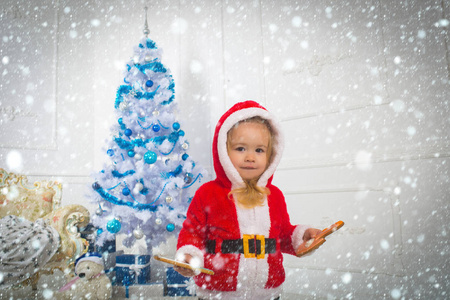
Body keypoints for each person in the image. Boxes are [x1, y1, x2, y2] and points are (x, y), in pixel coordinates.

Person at [175, 101, 322, 299]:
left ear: (271, 156)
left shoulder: (274, 195)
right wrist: (189, 256)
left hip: (267, 293)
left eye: (259, 150)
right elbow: (192, 232)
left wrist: (301, 236)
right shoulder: (208, 194)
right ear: (223, 152)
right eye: (241, 148)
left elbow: (281, 235)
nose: (250, 157)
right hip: (218, 291)